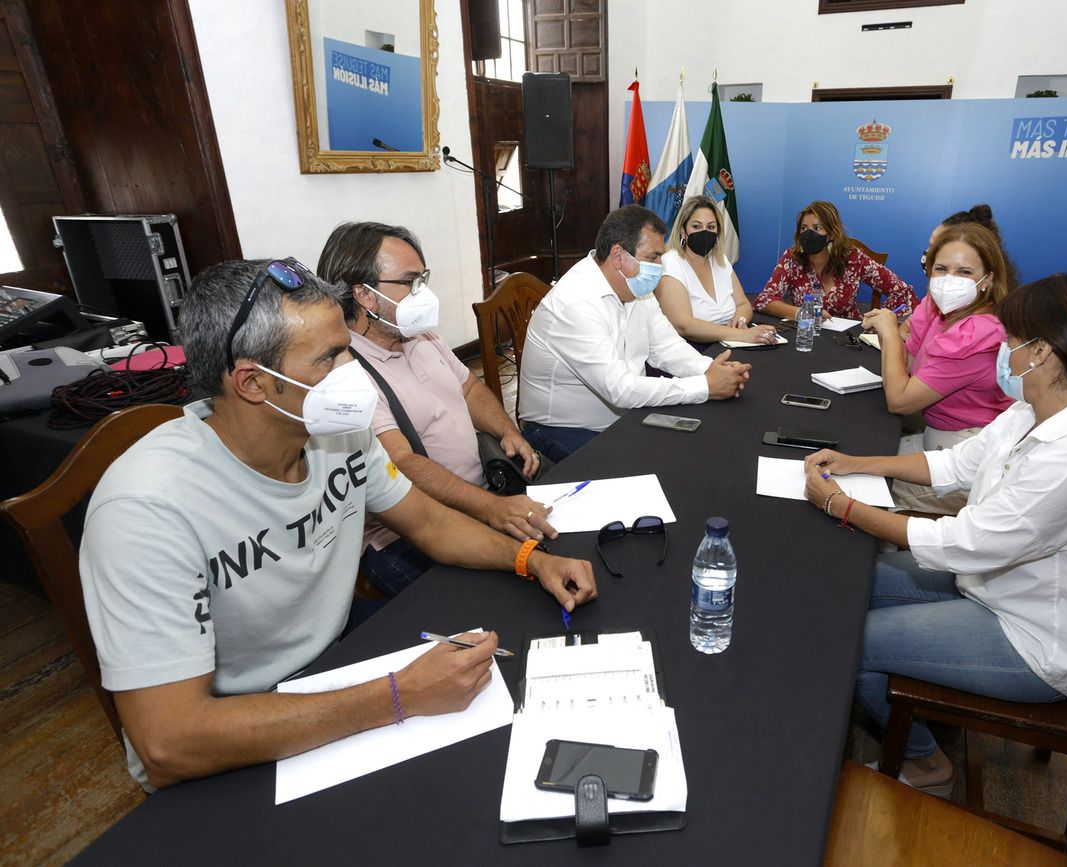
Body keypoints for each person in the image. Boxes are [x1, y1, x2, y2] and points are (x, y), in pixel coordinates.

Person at [79, 258, 597, 790]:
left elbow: (429, 524)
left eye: (347, 346)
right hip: (230, 724)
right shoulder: (146, 510)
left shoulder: (334, 431)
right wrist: (398, 695)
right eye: (331, 358)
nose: (356, 371)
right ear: (254, 383)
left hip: (335, 656)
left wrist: (530, 559)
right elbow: (169, 742)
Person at [803, 274, 1067, 797]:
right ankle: (916, 702)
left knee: (850, 636)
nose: (1001, 349)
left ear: (1044, 355)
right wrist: (858, 463)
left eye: (1010, 340)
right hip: (998, 586)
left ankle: (926, 766)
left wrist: (840, 504)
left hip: (1040, 639)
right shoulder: (1031, 412)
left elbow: (962, 542)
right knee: (850, 591)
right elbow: (955, 464)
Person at [316, 222, 555, 597]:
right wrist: (491, 508)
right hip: (409, 531)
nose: (421, 294)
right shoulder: (346, 376)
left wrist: (508, 430)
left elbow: (470, 387)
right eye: (410, 283)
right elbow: (403, 463)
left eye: (422, 280)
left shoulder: (422, 336)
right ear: (363, 295)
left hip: (481, 496)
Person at [518, 205, 752, 462]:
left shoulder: (635, 288)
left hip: (623, 417)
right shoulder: (575, 302)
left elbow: (665, 346)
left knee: (695, 453)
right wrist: (705, 385)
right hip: (562, 430)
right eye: (652, 258)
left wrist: (710, 369)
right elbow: (619, 389)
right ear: (618, 256)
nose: (660, 267)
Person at [861, 222, 1014, 514]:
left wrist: (890, 333)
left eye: (964, 272)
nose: (949, 280)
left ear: (988, 279)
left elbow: (900, 400)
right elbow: (906, 366)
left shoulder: (978, 332)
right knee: (860, 455)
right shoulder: (936, 306)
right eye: (941, 269)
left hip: (968, 458)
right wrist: (892, 337)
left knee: (866, 486)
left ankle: (889, 551)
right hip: (937, 439)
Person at [753, 200, 917, 320]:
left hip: (847, 337)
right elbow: (764, 300)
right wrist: (801, 313)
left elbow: (902, 292)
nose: (809, 234)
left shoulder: (853, 258)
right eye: (804, 229)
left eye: (817, 228)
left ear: (831, 234)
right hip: (807, 333)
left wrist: (881, 318)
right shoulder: (793, 258)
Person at [655, 194, 777, 346]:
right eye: (696, 226)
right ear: (682, 231)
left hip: (731, 343)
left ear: (718, 232)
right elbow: (684, 325)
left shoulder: (720, 261)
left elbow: (743, 305)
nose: (704, 232)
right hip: (692, 351)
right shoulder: (671, 263)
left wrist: (739, 321)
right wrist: (741, 334)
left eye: (711, 227)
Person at [920, 203, 1019, 288]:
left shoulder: (1004, 309)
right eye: (931, 245)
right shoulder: (928, 304)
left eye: (939, 248)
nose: (929, 254)